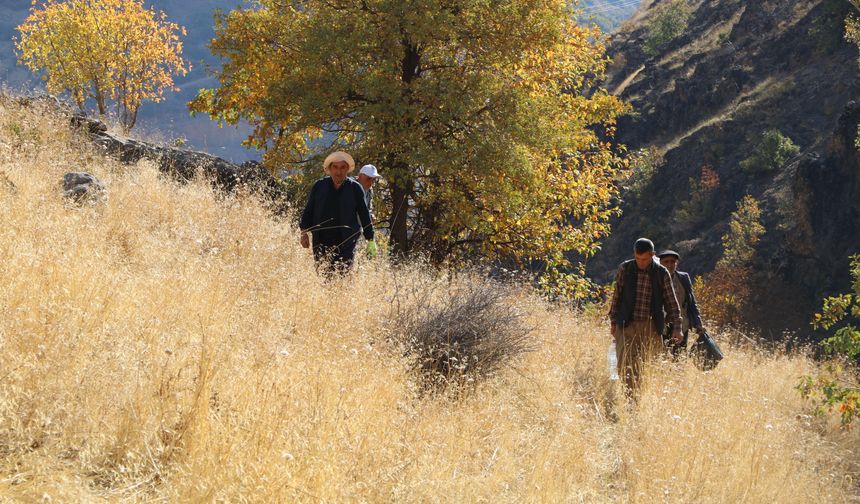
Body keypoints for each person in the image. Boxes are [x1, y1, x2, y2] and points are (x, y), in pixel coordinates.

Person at [608, 238, 683, 392]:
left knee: (643, 364)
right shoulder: (625, 269)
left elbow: (671, 302)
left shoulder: (661, 273)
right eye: (638, 258)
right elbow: (617, 296)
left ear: (653, 255)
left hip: (650, 326)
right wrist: (613, 321)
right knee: (624, 363)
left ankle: (636, 396)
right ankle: (630, 397)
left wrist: (677, 326)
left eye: (645, 259)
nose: (641, 262)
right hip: (627, 324)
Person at [300, 151, 376, 271]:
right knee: (323, 275)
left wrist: (371, 240)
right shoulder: (319, 186)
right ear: (329, 168)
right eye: (335, 167)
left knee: (342, 276)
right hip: (321, 240)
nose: (338, 171)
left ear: (347, 169)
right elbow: (309, 210)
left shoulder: (355, 188)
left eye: (342, 167)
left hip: (347, 241)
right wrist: (303, 233)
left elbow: (364, 215)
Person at [656, 250, 705, 357]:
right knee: (661, 355)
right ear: (660, 263)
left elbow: (691, 301)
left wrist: (698, 323)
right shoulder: (655, 278)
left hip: (682, 323)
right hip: (661, 324)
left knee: (679, 355)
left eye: (672, 262)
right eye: (666, 262)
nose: (669, 264)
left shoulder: (683, 278)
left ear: (676, 263)